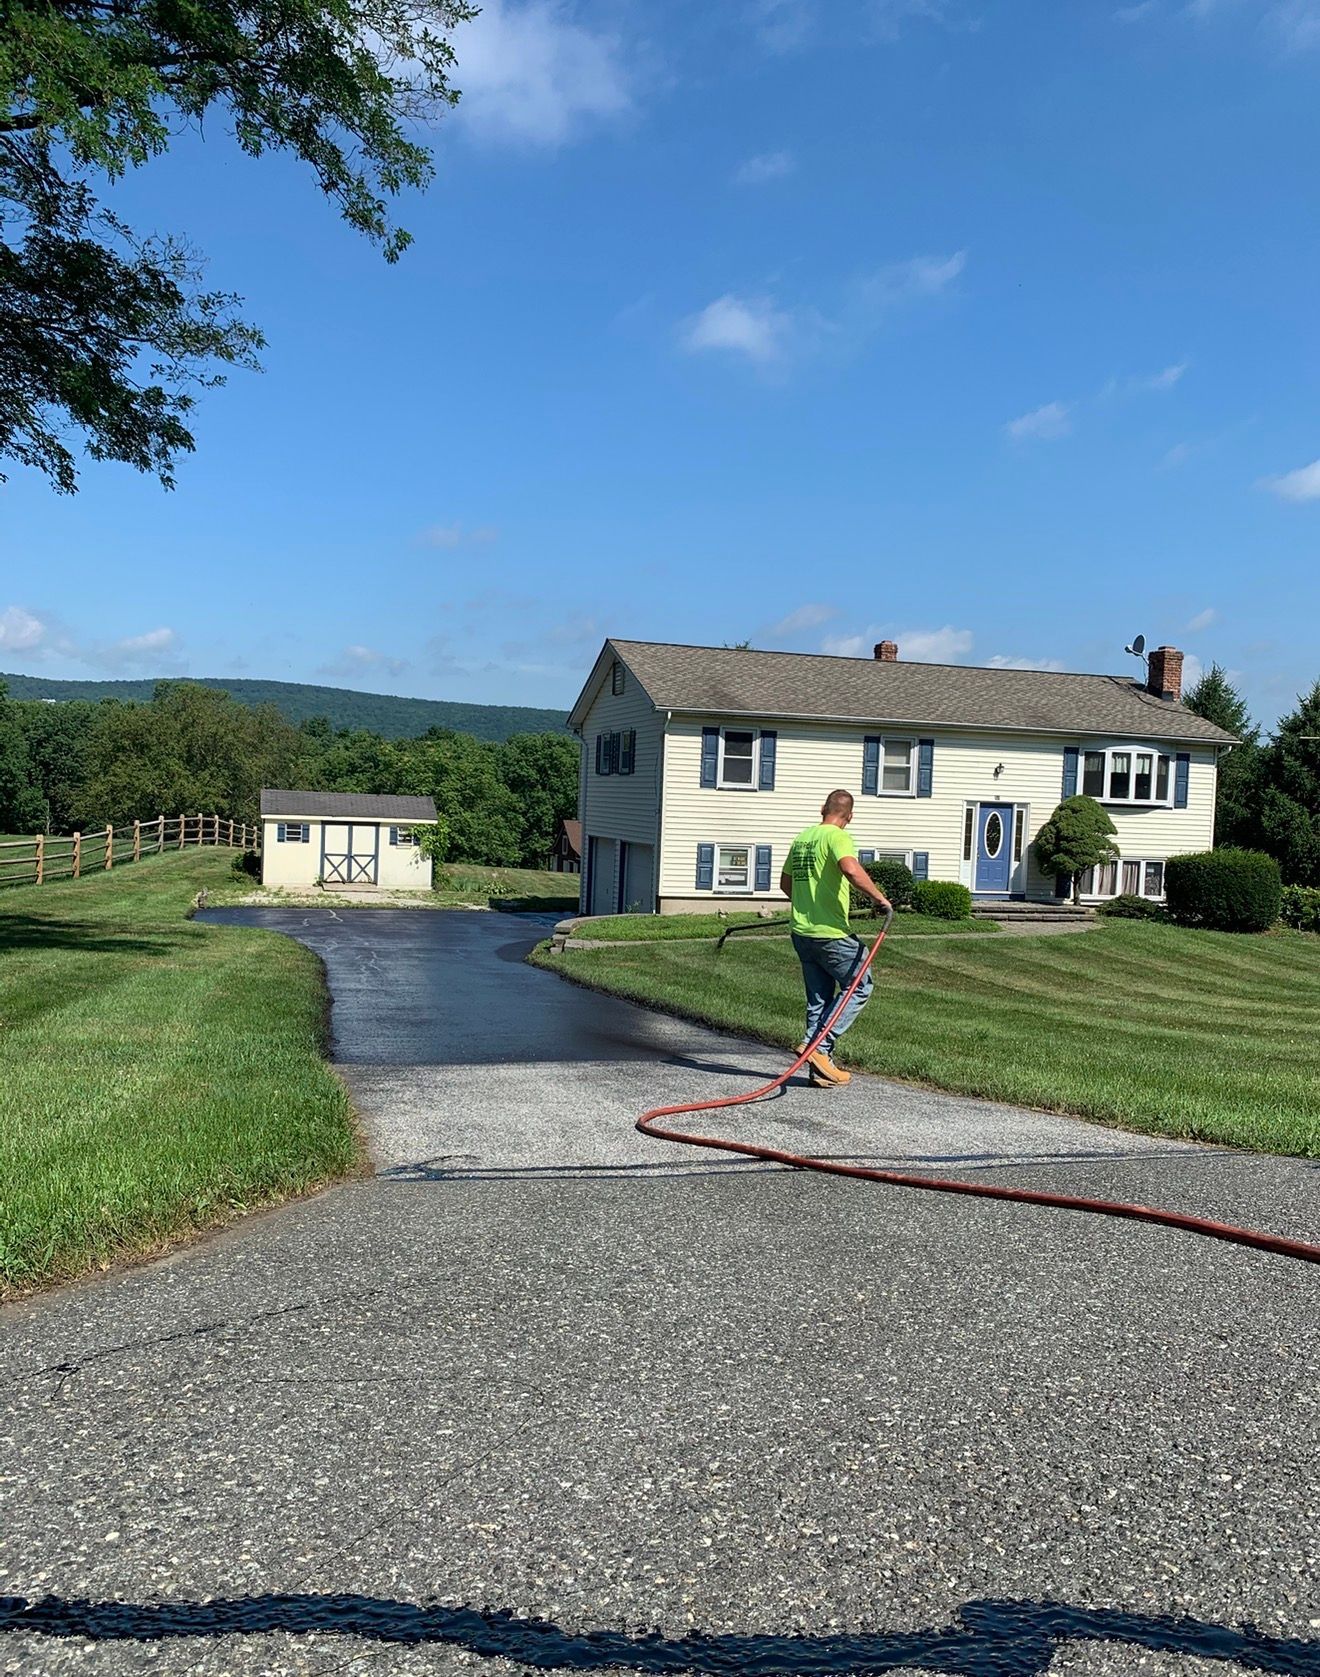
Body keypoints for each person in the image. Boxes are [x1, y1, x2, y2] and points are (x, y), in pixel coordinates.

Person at [780, 789, 891, 1088]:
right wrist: (880, 898)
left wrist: (806, 904)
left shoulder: (802, 838)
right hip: (831, 933)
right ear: (849, 816)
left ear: (822, 809)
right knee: (860, 985)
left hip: (801, 932)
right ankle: (819, 1046)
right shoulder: (838, 837)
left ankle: (819, 1070)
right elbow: (850, 869)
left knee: (819, 999)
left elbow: (784, 882)